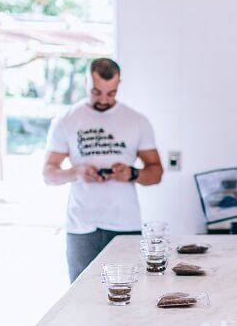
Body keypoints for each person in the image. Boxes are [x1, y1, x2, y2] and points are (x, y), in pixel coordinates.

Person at [43, 58, 163, 282]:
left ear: (119, 85)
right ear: (86, 81)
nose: (104, 100)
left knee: (129, 294)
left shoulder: (136, 121)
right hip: (82, 227)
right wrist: (76, 172)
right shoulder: (66, 120)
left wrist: (132, 173)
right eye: (96, 92)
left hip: (126, 225)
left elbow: (156, 172)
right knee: (81, 298)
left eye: (111, 93)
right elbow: (48, 174)